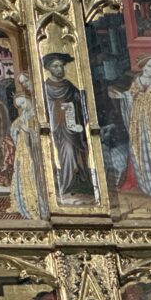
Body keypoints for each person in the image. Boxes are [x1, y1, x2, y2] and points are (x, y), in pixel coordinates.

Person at [42, 53, 95, 198]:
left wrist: (80, 98)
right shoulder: (45, 87)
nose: (59, 69)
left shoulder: (69, 85)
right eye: (55, 66)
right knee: (68, 152)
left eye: (61, 66)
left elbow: (80, 103)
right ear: (48, 68)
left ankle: (82, 182)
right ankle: (68, 183)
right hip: (59, 128)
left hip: (73, 127)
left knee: (79, 153)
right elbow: (44, 108)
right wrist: (60, 105)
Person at [109, 55, 151, 199]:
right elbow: (129, 97)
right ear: (143, 67)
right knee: (141, 147)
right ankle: (147, 182)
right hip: (139, 122)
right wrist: (125, 97)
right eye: (149, 66)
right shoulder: (137, 82)